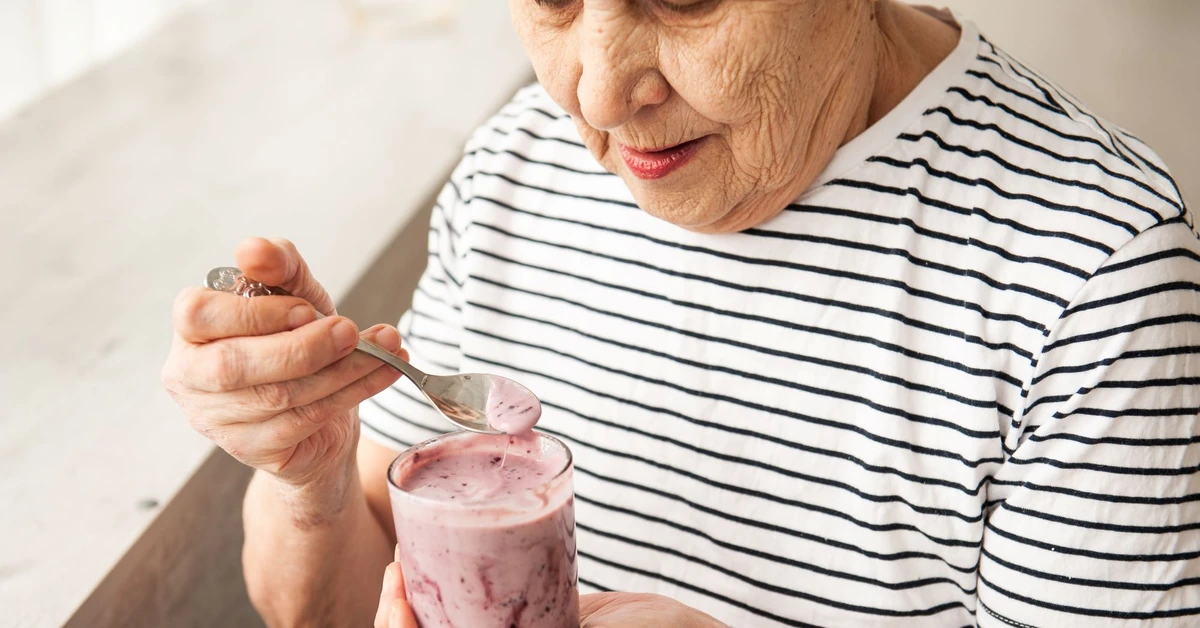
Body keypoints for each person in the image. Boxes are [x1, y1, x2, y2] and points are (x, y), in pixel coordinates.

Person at [162, 1, 1199, 626]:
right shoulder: (519, 166)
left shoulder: (1095, 272)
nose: (602, 96)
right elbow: (333, 608)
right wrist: (314, 479)